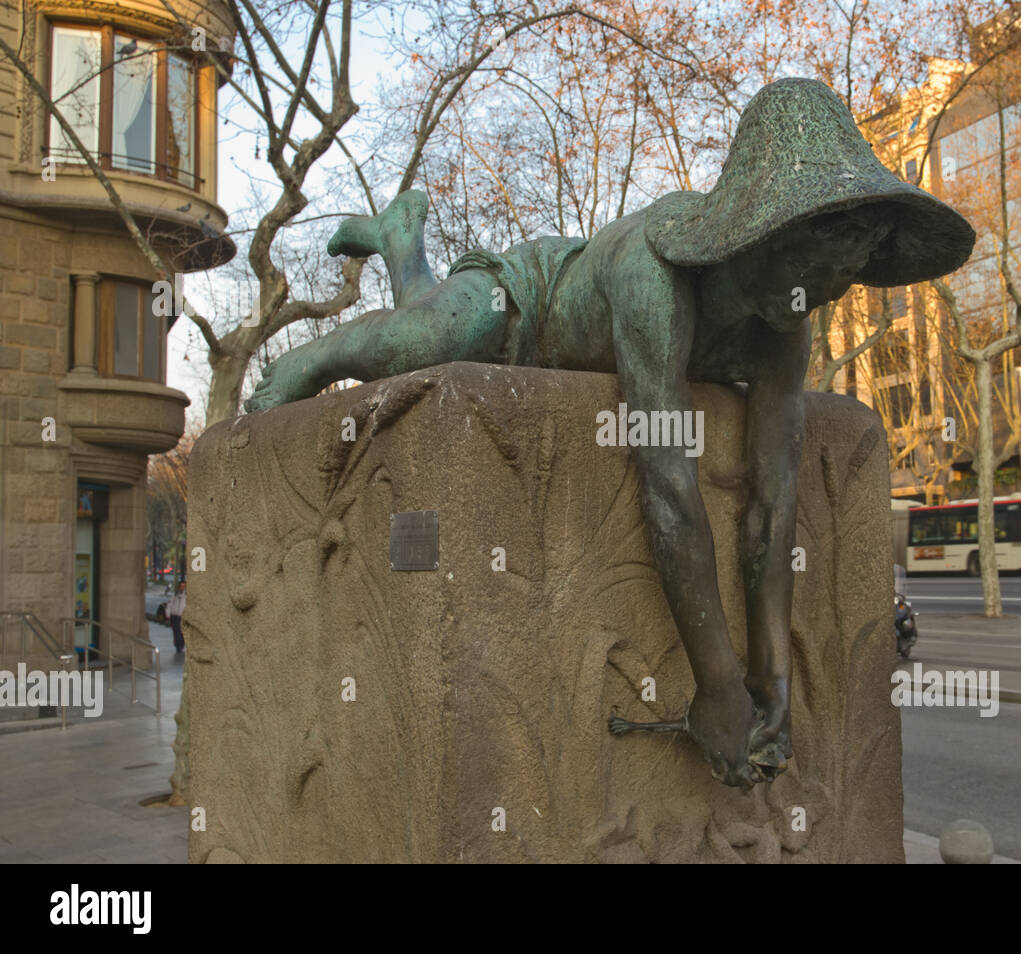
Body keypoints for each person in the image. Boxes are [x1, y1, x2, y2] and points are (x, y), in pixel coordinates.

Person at [243, 78, 974, 787]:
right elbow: (669, 488)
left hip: (564, 325)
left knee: (433, 336)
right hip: (528, 301)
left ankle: (403, 240)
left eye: (843, 280)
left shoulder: (784, 316)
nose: (825, 294)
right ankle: (318, 350)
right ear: (765, 231)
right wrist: (719, 684)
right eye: (819, 272)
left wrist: (771, 673)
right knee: (439, 333)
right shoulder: (653, 276)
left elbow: (774, 503)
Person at [166, 580, 186, 652]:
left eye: (184, 586)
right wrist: (168, 613)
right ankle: (178, 645)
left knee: (182, 632)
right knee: (176, 631)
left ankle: (181, 645)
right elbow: (169, 605)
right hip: (174, 616)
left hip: (182, 616)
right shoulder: (174, 595)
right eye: (181, 586)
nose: (182, 588)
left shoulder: (186, 596)